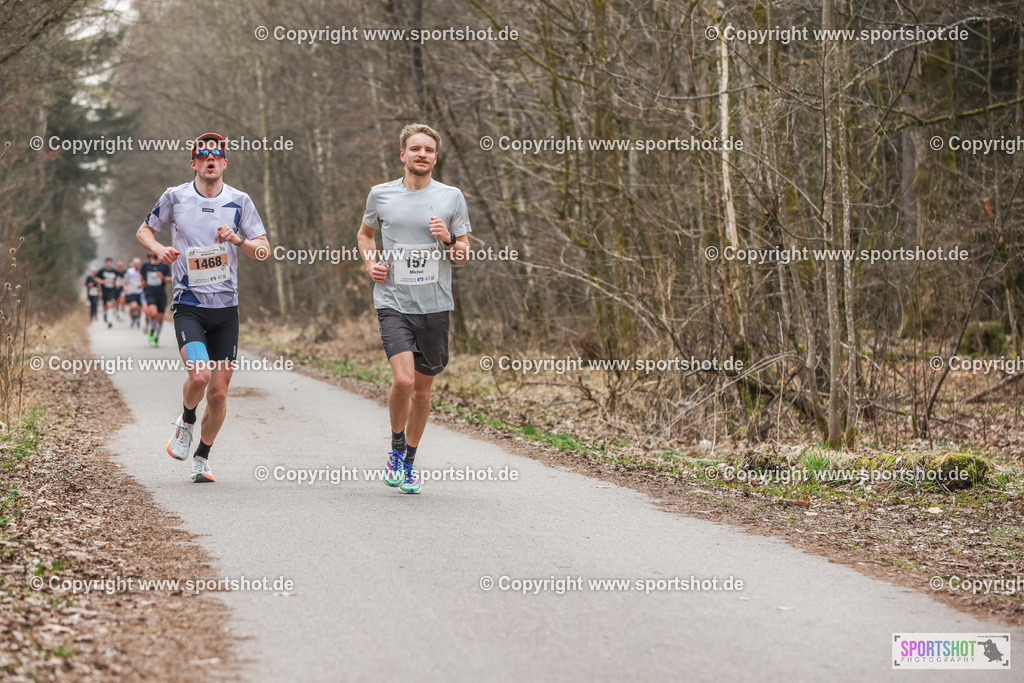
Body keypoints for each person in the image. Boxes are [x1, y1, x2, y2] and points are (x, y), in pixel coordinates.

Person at [135, 132, 270, 483]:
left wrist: (237, 239)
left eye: (216, 154)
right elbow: (144, 231)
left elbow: (263, 250)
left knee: (220, 392)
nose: (210, 158)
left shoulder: (240, 200)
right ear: (194, 163)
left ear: (224, 163)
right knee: (200, 375)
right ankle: (186, 421)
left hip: (226, 309)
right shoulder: (174, 197)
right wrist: (159, 249)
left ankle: (202, 456)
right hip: (189, 304)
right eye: (202, 154)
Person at [357, 123, 471, 494]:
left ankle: (410, 461)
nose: (422, 154)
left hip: (435, 305)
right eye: (415, 148)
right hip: (392, 301)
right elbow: (364, 234)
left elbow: (463, 256)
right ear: (402, 155)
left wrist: (449, 238)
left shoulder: (451, 197)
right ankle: (394, 448)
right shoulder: (381, 195)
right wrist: (370, 264)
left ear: (435, 157)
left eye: (428, 150)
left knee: (422, 392)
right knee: (403, 381)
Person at [140, 251, 171, 347]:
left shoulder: (164, 266)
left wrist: (162, 277)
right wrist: (140, 283)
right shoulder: (146, 265)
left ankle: (156, 336)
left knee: (160, 319)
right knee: (153, 314)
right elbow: (141, 276)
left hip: (161, 294)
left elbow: (170, 279)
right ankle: (152, 330)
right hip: (150, 293)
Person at [96, 257, 121, 327]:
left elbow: (118, 277)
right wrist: (102, 281)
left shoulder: (114, 271)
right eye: (107, 262)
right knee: (105, 305)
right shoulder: (102, 271)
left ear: (111, 263)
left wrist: (117, 282)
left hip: (112, 291)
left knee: (110, 304)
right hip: (104, 290)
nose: (109, 264)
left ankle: (110, 321)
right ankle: (105, 314)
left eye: (110, 262)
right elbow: (96, 278)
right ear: (105, 263)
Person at [123, 257, 143, 328]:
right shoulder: (129, 271)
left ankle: (138, 319)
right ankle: (132, 319)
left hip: (140, 292)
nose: (136, 265)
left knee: (139, 308)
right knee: (133, 306)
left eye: (138, 264)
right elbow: (126, 280)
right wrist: (125, 286)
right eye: (135, 264)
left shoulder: (143, 271)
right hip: (131, 291)